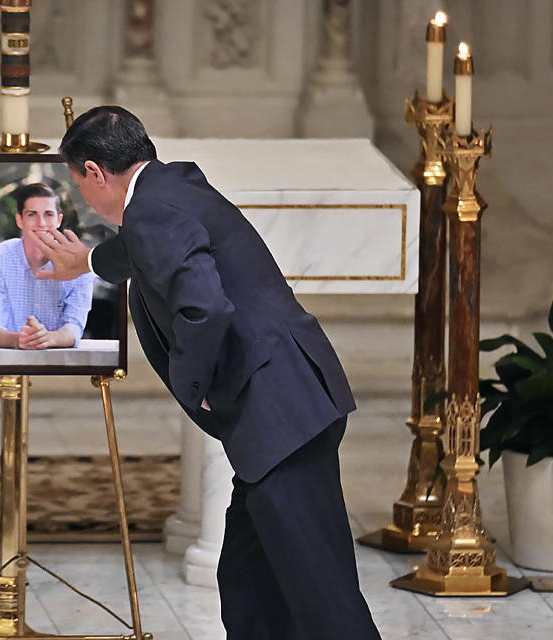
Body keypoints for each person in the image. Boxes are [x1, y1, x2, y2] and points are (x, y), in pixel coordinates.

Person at [31, 106, 381, 639]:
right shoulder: (174, 186)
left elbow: (204, 309)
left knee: (323, 594)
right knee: (249, 580)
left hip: (279, 410)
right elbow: (153, 248)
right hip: (290, 402)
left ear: (97, 172)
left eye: (81, 187)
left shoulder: (151, 211)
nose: (86, 202)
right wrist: (91, 263)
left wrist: (198, 389)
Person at [0, 182, 94, 349]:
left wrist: (47, 338)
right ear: (19, 220)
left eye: (48, 214)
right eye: (32, 214)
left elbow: (74, 327)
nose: (41, 223)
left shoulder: (79, 262)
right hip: (7, 363)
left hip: (60, 368)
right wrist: (19, 340)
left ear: (59, 220)